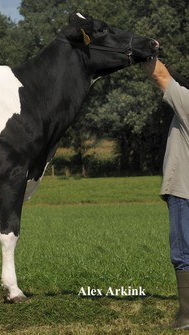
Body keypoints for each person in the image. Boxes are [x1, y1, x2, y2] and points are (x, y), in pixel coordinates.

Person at [146, 58, 189, 329]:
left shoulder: (187, 103)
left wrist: (145, 52)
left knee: (183, 253)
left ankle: (186, 315)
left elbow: (161, 75)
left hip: (184, 191)